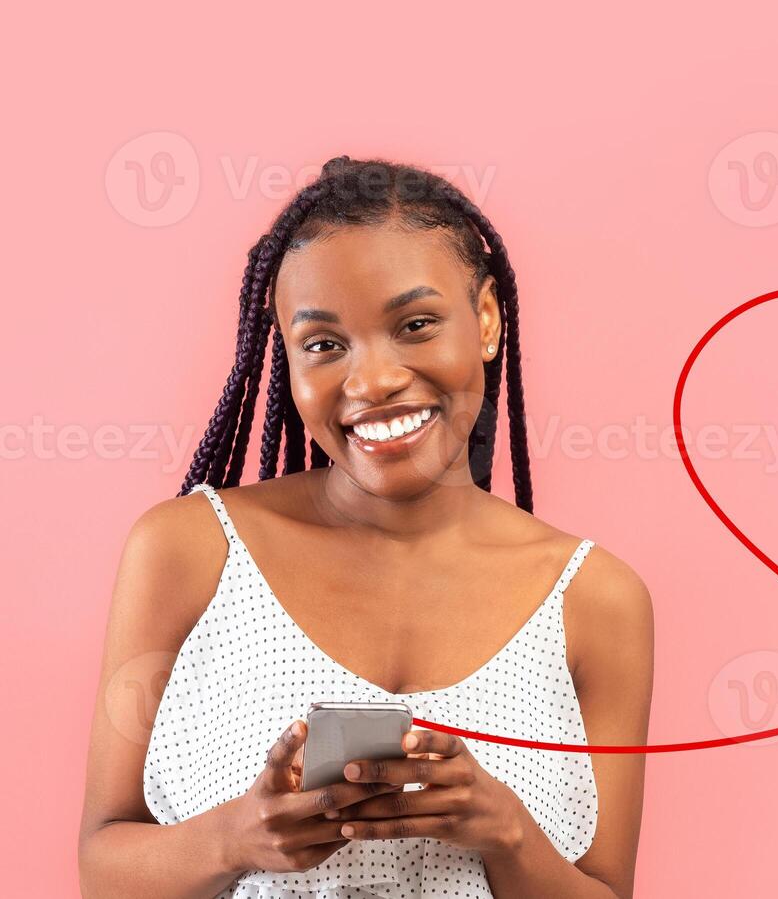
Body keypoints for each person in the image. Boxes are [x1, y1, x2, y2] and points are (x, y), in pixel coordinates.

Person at [79, 157, 655, 897]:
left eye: (415, 325)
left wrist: (504, 832)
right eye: (323, 344)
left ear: (485, 321)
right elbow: (102, 869)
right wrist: (237, 837)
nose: (373, 380)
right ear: (285, 357)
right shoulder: (184, 550)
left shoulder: (597, 601)